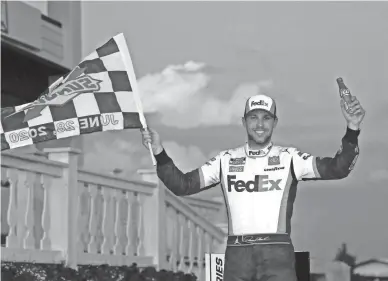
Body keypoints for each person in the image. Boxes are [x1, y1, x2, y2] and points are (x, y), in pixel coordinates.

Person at [140, 93, 365, 281]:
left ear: (275, 122)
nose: (259, 124)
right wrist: (159, 152)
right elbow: (182, 186)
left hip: (277, 253)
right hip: (238, 254)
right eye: (253, 117)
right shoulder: (226, 160)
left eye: (266, 118)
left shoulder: (289, 157)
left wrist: (352, 129)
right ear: (243, 122)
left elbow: (338, 169)